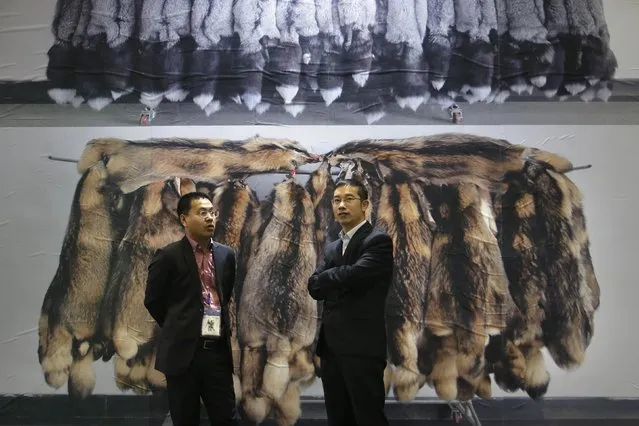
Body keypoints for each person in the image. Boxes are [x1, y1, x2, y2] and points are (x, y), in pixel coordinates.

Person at [144, 191, 238, 426]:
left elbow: (225, 294)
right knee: (185, 419)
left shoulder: (227, 255)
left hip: (216, 351)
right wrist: (180, 324)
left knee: (226, 417)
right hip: (183, 353)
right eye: (202, 212)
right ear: (184, 219)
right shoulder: (168, 256)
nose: (210, 218)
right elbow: (153, 300)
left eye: (212, 212)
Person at [307, 178, 394, 426]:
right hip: (331, 349)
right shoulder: (333, 246)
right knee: (338, 417)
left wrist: (329, 277)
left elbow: (356, 275)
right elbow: (314, 286)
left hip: (362, 348)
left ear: (365, 204)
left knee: (368, 417)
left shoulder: (377, 241)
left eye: (348, 199)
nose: (341, 205)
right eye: (336, 200)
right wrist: (333, 277)